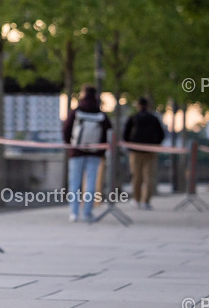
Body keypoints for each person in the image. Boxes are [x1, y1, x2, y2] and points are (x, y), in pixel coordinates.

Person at [62, 85, 111, 222]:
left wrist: (71, 145)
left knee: (74, 183)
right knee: (91, 183)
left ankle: (74, 212)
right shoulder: (100, 114)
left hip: (76, 152)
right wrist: (101, 150)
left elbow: (66, 129)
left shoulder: (76, 111)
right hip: (94, 153)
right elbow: (108, 132)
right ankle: (87, 212)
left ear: (83, 94)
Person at [122, 97, 166, 209]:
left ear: (138, 106)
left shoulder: (133, 118)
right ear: (148, 106)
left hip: (135, 152)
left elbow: (125, 135)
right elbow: (161, 134)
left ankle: (136, 199)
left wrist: (130, 146)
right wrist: (155, 144)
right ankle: (145, 201)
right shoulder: (154, 119)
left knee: (136, 176)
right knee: (148, 177)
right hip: (150, 151)